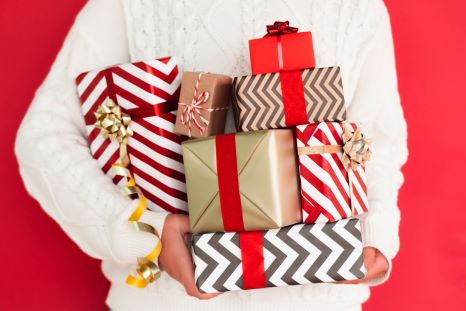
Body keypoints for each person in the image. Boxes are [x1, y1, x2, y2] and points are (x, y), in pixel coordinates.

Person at [15, 0, 408, 310]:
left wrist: (375, 237)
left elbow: (378, 145)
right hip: (167, 305)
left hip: (321, 298)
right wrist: (145, 233)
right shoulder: (127, 4)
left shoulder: (358, 7)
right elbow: (45, 136)